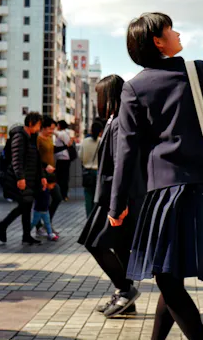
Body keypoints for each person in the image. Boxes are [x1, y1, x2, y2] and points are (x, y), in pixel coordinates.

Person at [114, 13, 203, 340]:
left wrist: (117, 204)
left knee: (167, 277)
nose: (178, 32)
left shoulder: (135, 88)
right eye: (170, 29)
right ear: (157, 42)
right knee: (171, 275)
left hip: (164, 192)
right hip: (201, 188)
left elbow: (126, 152)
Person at [79, 76, 143, 318]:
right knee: (120, 246)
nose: (97, 100)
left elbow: (122, 164)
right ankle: (125, 296)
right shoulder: (115, 120)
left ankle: (125, 290)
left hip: (115, 197)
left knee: (94, 241)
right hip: (113, 195)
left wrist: (119, 203)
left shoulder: (121, 122)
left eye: (99, 94)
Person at [0, 112, 45, 245]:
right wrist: (20, 178)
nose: (39, 128)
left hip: (30, 178)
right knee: (24, 205)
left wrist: (42, 176)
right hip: (18, 179)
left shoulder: (32, 137)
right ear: (30, 123)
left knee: (27, 205)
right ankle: (3, 225)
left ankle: (26, 235)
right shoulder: (19, 136)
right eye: (38, 125)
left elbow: (37, 158)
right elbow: (16, 159)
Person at [80, 119, 104, 217]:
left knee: (88, 197)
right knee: (97, 197)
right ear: (100, 131)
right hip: (98, 172)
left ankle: (88, 218)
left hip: (87, 172)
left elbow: (80, 156)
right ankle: (95, 218)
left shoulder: (85, 142)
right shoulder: (102, 141)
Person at [54, 119, 75, 201]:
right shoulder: (67, 133)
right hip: (66, 159)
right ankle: (64, 195)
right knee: (65, 177)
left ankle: (62, 194)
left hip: (62, 158)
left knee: (60, 178)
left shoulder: (62, 133)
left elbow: (55, 133)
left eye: (57, 125)